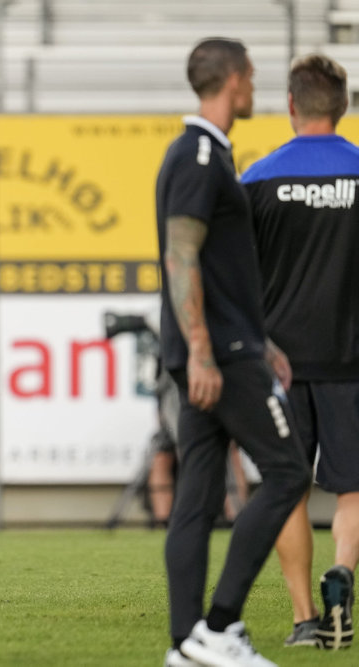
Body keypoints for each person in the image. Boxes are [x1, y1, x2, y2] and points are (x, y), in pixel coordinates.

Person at [155, 37, 311, 666]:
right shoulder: (197, 155)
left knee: (195, 495)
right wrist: (203, 351)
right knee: (288, 472)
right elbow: (181, 255)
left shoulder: (208, 153)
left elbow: (217, 265)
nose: (255, 87)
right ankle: (217, 626)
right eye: (250, 76)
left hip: (228, 343)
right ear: (234, 81)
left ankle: (187, 643)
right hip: (217, 351)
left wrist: (261, 336)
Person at [242, 53, 359, 651]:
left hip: (279, 367)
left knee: (286, 487)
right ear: (343, 106)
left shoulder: (256, 179)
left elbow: (233, 277)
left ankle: (304, 618)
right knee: (354, 488)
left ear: (290, 106)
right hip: (353, 361)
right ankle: (343, 567)